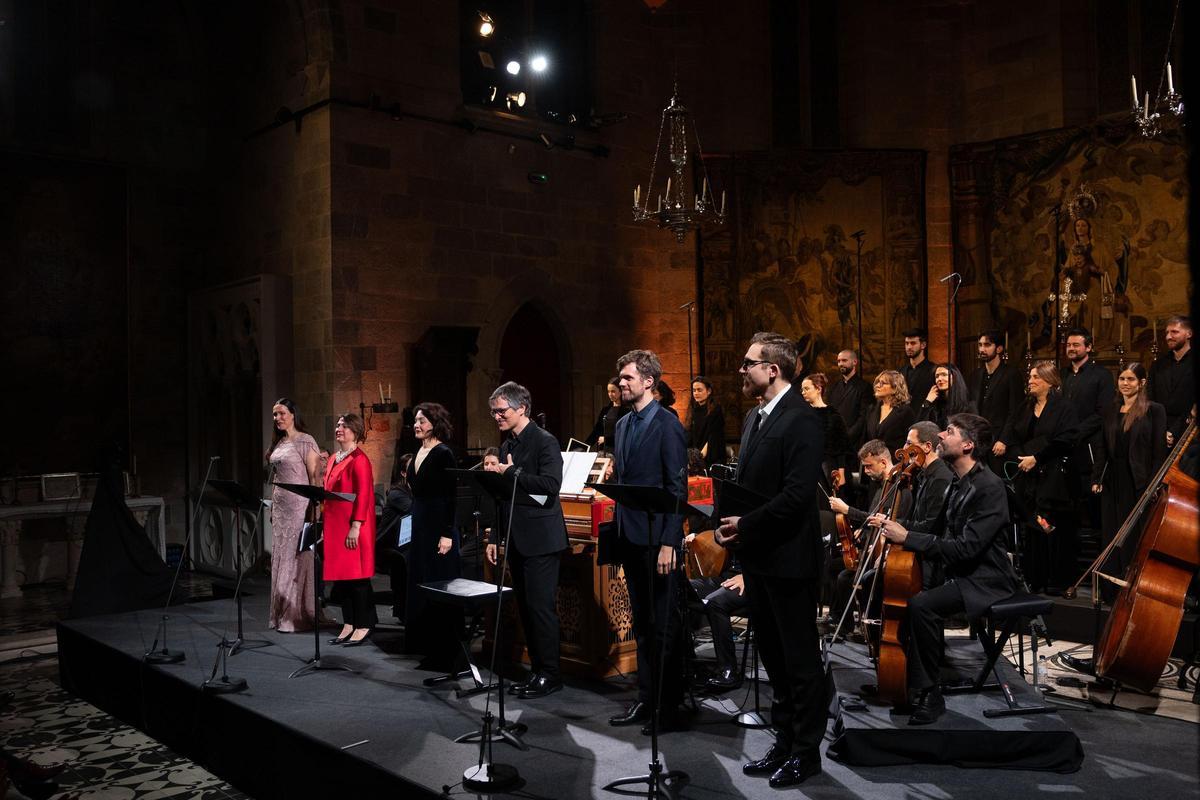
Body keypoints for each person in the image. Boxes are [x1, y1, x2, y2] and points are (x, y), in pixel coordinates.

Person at [715, 332, 826, 788]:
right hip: (759, 557)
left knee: (799, 660)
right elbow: (749, 487)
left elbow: (798, 496)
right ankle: (784, 742)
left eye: (749, 363)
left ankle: (806, 752)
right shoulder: (754, 416)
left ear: (773, 369)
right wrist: (728, 527)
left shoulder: (802, 419)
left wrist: (744, 524)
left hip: (791, 559)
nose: (741, 370)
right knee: (774, 659)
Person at [871, 414, 1019, 725]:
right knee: (905, 590)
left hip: (985, 579)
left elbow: (967, 548)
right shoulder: (957, 483)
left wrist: (907, 537)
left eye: (949, 432)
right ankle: (904, 682)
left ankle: (930, 693)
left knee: (922, 605)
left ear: (967, 445)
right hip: (959, 571)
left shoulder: (990, 487)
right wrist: (894, 528)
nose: (940, 435)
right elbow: (935, 531)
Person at [606, 349, 689, 735]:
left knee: (663, 626)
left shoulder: (667, 423)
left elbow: (676, 488)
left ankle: (668, 707)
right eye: (621, 377)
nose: (621, 383)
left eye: (627, 378)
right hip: (631, 536)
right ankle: (646, 697)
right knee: (642, 624)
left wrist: (670, 543)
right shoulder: (624, 423)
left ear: (648, 381)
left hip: (659, 541)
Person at [484, 381, 569, 699]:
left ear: (521, 408)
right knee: (526, 608)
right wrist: (495, 536)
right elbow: (502, 496)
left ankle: (551, 674)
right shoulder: (508, 444)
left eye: (501, 411)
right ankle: (537, 671)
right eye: (493, 412)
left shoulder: (544, 441)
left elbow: (551, 485)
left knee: (540, 609)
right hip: (517, 537)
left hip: (542, 539)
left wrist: (511, 474)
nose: (497, 416)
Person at [1004, 362, 1080, 592]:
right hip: (1030, 478)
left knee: (1055, 530)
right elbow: (1014, 434)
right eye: (1030, 377)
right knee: (1034, 527)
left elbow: (1066, 439)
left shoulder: (1064, 407)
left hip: (1055, 478)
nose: (1030, 381)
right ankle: (1035, 579)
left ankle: (1058, 581)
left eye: (1036, 377)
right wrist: (1022, 457)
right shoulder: (1025, 406)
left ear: (1050, 381)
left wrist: (1037, 457)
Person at [1090, 364, 1167, 592]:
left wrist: (1153, 485)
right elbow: (1102, 448)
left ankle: (1132, 587)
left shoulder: (1154, 410)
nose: (1125, 383)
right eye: (1122, 378)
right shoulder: (1111, 409)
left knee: (1133, 534)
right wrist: (1096, 478)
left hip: (1139, 481)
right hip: (1112, 479)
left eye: (1131, 379)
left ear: (1141, 383)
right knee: (1111, 532)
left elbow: (1159, 452)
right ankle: (1110, 588)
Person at [827, 439, 912, 627]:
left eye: (868, 466)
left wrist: (848, 510)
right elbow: (874, 518)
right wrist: (863, 530)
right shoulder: (882, 487)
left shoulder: (899, 490)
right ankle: (840, 621)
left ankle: (848, 625)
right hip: (871, 546)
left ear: (883, 462)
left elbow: (887, 521)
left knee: (844, 577)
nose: (865, 471)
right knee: (834, 564)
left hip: (886, 554)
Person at [405, 402, 462, 666]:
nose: (417, 425)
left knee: (439, 584)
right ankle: (423, 643)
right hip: (420, 524)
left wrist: (447, 533)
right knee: (420, 581)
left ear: (435, 423)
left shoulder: (443, 453)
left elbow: (451, 496)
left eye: (422, 421)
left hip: (439, 527)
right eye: (416, 420)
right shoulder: (419, 451)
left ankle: (444, 649)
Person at [265, 398, 322, 633]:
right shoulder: (279, 442)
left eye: (281, 413)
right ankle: (280, 612)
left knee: (296, 557)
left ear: (293, 414)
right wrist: (272, 506)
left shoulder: (306, 441)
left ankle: (295, 615)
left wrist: (315, 509)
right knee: (281, 557)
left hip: (299, 508)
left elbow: (315, 477)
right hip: (281, 510)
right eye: (275, 414)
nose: (277, 418)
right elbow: (276, 477)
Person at [1061, 327, 1114, 573]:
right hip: (1065, 449)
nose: (1071, 349)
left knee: (1094, 508)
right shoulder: (1062, 375)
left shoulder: (1101, 375)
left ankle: (1100, 567)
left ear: (1089, 347)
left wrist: (1075, 432)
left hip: (1090, 448)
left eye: (1076, 345)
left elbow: (1103, 412)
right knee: (1068, 508)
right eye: (1068, 345)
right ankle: (1070, 565)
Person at [322, 413, 377, 647]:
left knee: (357, 577)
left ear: (355, 431)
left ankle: (364, 623)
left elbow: (364, 495)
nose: (339, 428)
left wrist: (356, 526)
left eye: (344, 426)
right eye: (337, 425)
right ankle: (349, 622)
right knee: (342, 578)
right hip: (335, 525)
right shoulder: (334, 457)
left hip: (354, 525)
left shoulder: (360, 459)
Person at [967, 330, 1025, 473]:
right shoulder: (975, 375)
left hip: (999, 442)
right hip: (979, 441)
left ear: (999, 349)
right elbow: (972, 408)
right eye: (980, 345)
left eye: (987, 345)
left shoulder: (1011, 374)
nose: (982, 349)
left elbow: (1016, 410)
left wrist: (1004, 440)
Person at [800, 373, 852, 493]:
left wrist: (841, 472)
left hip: (828, 467)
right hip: (806, 465)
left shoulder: (833, 415)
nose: (803, 392)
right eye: (802, 390)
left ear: (818, 389)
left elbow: (841, 446)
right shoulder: (801, 415)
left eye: (806, 389)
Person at [378, 453, 414, 622]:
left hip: (403, 541)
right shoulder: (397, 493)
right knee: (408, 557)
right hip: (387, 543)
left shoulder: (413, 490)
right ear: (404, 473)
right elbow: (416, 509)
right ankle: (405, 611)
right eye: (411, 469)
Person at [1148, 315, 1194, 446]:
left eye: (1174, 332)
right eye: (1167, 332)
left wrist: (1173, 431)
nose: (1168, 336)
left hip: (1189, 432)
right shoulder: (1158, 365)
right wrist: (1159, 430)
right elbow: (1150, 398)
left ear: (1189, 334)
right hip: (1159, 431)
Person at [863, 370, 916, 454]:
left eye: (883, 383)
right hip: (874, 459)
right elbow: (865, 439)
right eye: (877, 382)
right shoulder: (872, 409)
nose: (877, 386)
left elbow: (911, 442)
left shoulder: (905, 412)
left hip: (896, 459)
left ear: (895, 388)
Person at [827, 349, 873, 446]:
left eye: (844, 360)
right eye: (839, 361)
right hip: (834, 439)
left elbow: (864, 417)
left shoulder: (865, 387)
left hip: (854, 441)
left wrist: (847, 436)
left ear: (854, 362)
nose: (840, 364)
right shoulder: (833, 387)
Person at [917, 363, 976, 430]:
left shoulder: (968, 405)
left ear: (955, 377)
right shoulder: (935, 405)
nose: (939, 379)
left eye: (944, 375)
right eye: (937, 376)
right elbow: (919, 428)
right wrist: (927, 401)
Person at [687, 375, 727, 468]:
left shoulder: (715, 410)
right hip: (696, 457)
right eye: (694, 390)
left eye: (699, 390)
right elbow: (690, 435)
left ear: (708, 391)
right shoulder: (693, 410)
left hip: (711, 457)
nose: (696, 393)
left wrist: (699, 458)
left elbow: (713, 437)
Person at [586, 377, 628, 452]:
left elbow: (626, 434)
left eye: (613, 391)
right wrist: (584, 447)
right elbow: (597, 430)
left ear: (620, 391)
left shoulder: (627, 411)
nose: (610, 394)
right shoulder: (605, 410)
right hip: (604, 451)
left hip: (618, 451)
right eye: (608, 391)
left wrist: (607, 439)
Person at [899, 328, 936, 411]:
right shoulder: (901, 371)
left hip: (924, 415)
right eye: (906, 343)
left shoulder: (933, 370)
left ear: (923, 345)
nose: (909, 347)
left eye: (913, 343)